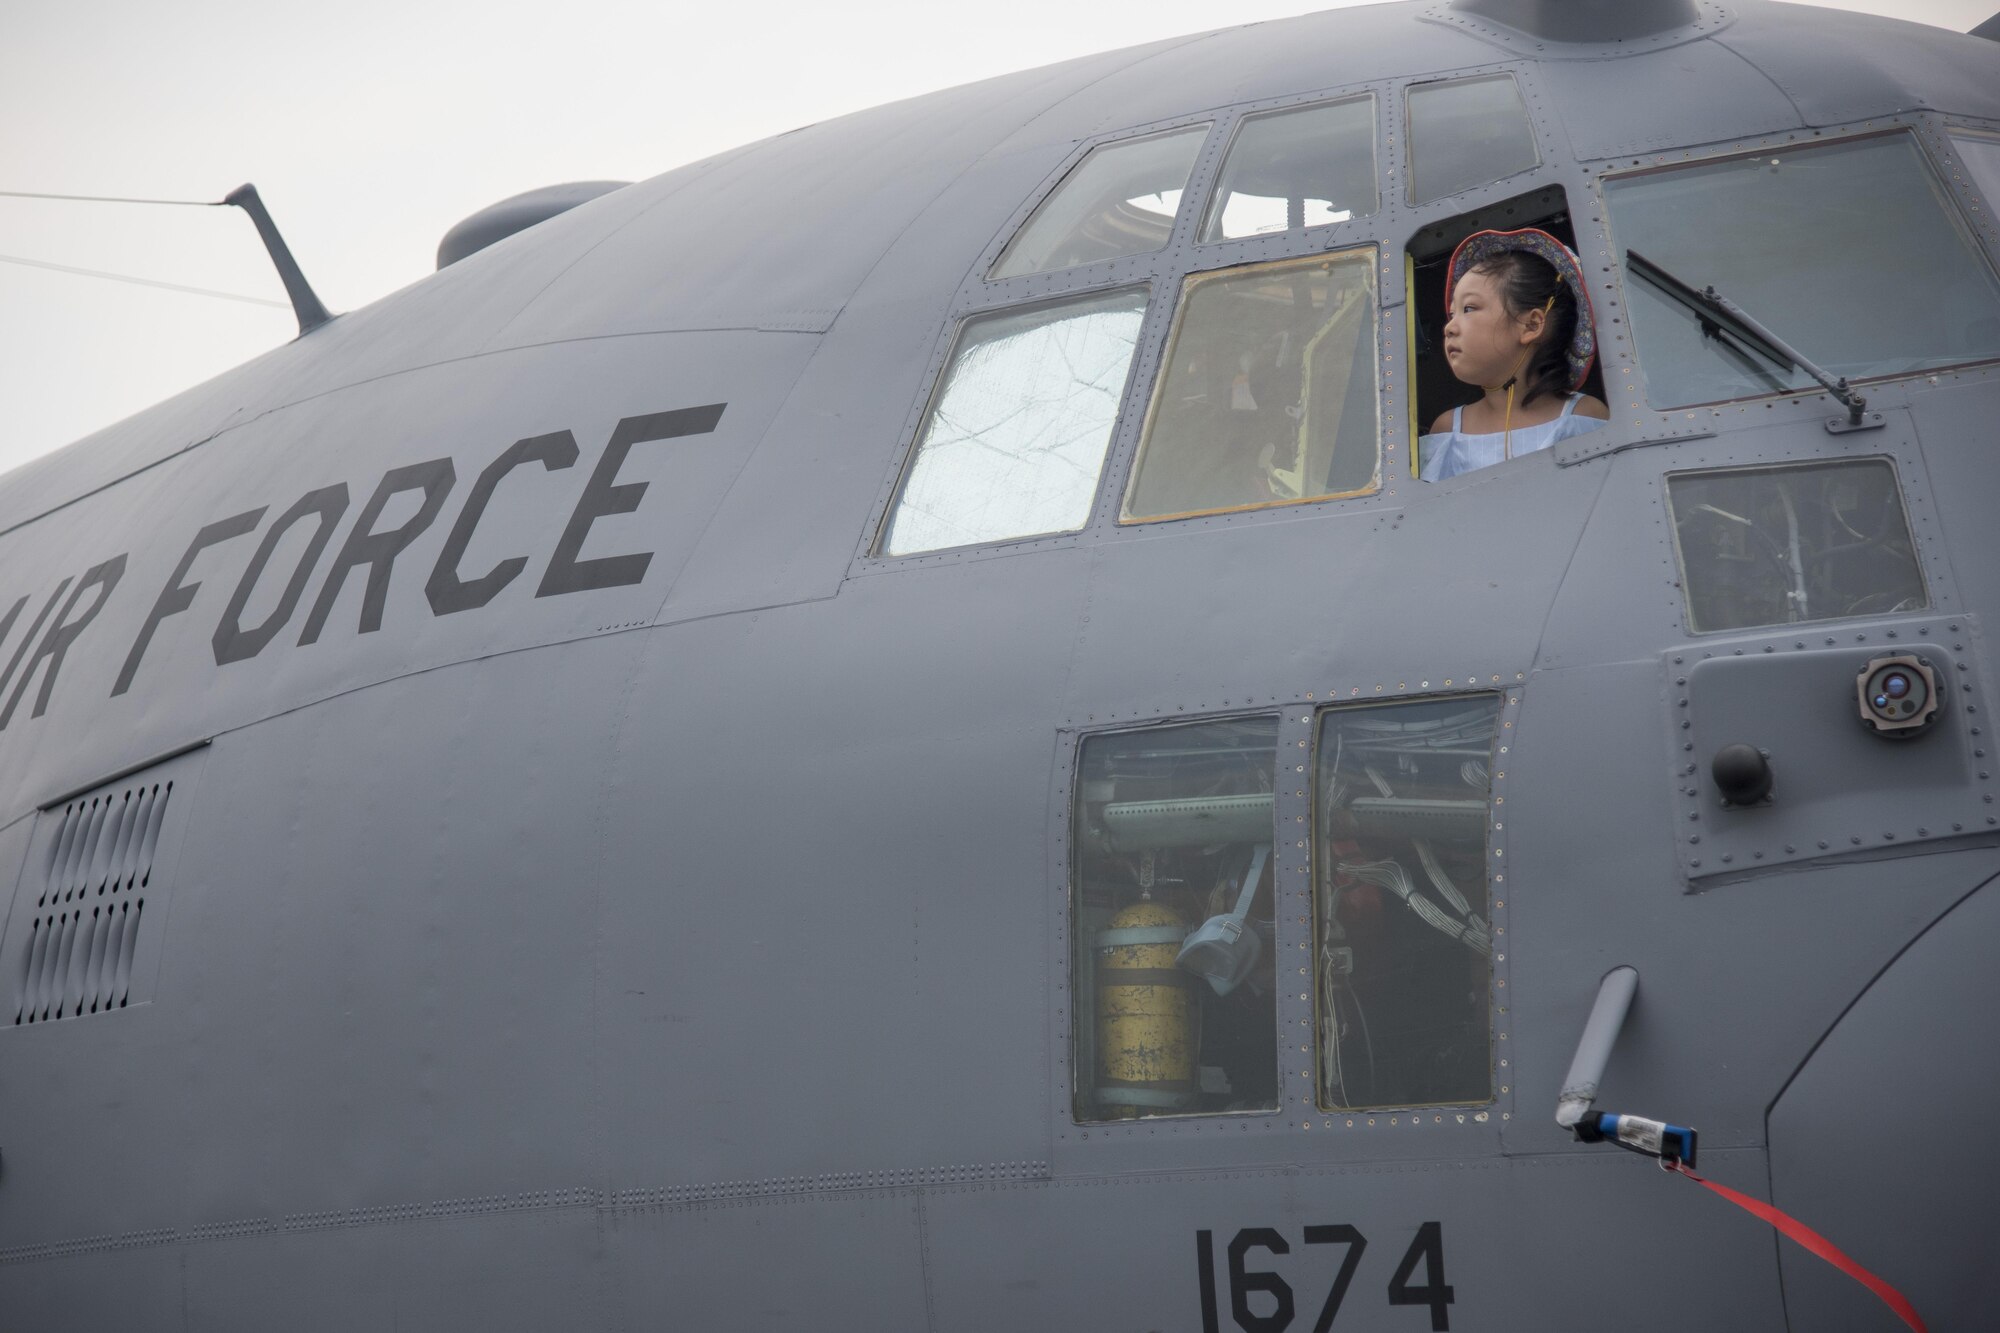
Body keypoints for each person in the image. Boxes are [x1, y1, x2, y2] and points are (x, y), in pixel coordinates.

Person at [1418, 228, 1609, 482]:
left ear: (1531, 325)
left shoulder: (1582, 417)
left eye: (1469, 308)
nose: (1449, 327)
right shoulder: (1447, 430)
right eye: (1452, 314)